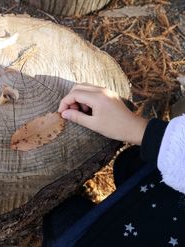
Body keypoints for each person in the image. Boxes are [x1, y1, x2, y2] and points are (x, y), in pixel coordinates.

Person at [43, 84, 185, 247]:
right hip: (164, 184)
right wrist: (141, 131)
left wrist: (141, 131)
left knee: (62, 218)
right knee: (127, 162)